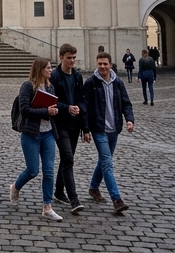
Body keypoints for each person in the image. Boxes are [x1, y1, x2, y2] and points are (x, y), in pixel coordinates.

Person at [81, 52, 134, 215]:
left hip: (114, 129)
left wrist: (129, 120)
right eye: (99, 64)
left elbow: (126, 103)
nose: (102, 67)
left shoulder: (118, 82)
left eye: (105, 64)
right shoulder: (91, 83)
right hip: (98, 129)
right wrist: (86, 129)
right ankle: (116, 199)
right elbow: (84, 106)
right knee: (107, 162)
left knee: (105, 161)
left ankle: (93, 188)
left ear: (111, 64)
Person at [11, 58, 63, 221]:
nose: (51, 70)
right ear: (40, 69)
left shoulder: (50, 87)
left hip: (48, 133)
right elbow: (25, 110)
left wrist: (55, 110)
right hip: (30, 133)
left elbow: (52, 107)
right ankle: (15, 187)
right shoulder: (27, 86)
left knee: (48, 171)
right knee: (33, 170)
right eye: (48, 67)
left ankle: (47, 207)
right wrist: (45, 111)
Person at [50, 43, 87, 215]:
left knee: (67, 158)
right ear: (61, 57)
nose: (72, 61)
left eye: (74, 58)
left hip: (74, 124)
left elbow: (82, 100)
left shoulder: (78, 76)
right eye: (69, 58)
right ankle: (74, 199)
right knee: (68, 158)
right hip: (59, 123)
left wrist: (85, 128)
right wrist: (67, 108)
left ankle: (58, 192)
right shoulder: (54, 76)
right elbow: (50, 100)